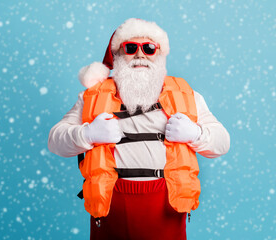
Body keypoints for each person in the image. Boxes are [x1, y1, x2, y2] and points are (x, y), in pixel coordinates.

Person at [48, 18, 230, 240]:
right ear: (117, 56)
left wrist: (195, 134)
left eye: (149, 48)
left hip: (167, 205)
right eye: (131, 48)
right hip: (110, 204)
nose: (140, 55)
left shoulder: (188, 96)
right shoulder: (92, 97)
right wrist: (87, 134)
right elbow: (55, 141)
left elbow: (222, 143)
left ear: (160, 54)